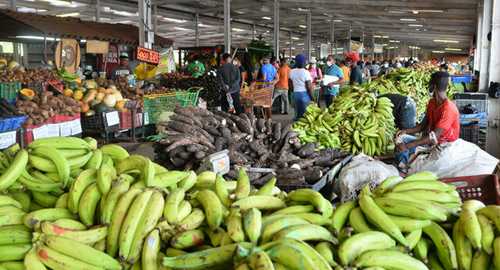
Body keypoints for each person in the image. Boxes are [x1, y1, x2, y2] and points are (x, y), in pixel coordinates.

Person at [394, 71, 460, 171]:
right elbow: (422, 125)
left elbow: (433, 136)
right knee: (400, 138)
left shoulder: (448, 108)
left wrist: (407, 146)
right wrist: (405, 131)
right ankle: (403, 167)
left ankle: (406, 170)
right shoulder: (432, 103)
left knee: (406, 147)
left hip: (444, 146)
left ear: (433, 86)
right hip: (431, 142)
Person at [289, 54, 313, 120]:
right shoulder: (306, 72)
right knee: (305, 114)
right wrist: (312, 97)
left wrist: (293, 93)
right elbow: (309, 87)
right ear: (304, 62)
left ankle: (295, 125)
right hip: (304, 94)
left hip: (295, 94)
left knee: (297, 112)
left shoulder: (291, 71)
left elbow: (290, 85)